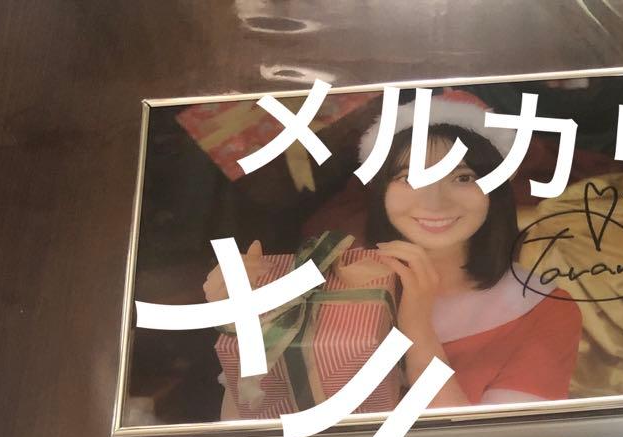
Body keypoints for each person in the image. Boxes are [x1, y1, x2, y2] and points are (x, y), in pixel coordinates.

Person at [204, 90, 582, 416]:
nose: (433, 201)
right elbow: (247, 427)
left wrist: (417, 327)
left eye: (463, 177)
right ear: (381, 192)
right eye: (408, 176)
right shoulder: (328, 282)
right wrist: (247, 332)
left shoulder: (542, 308)